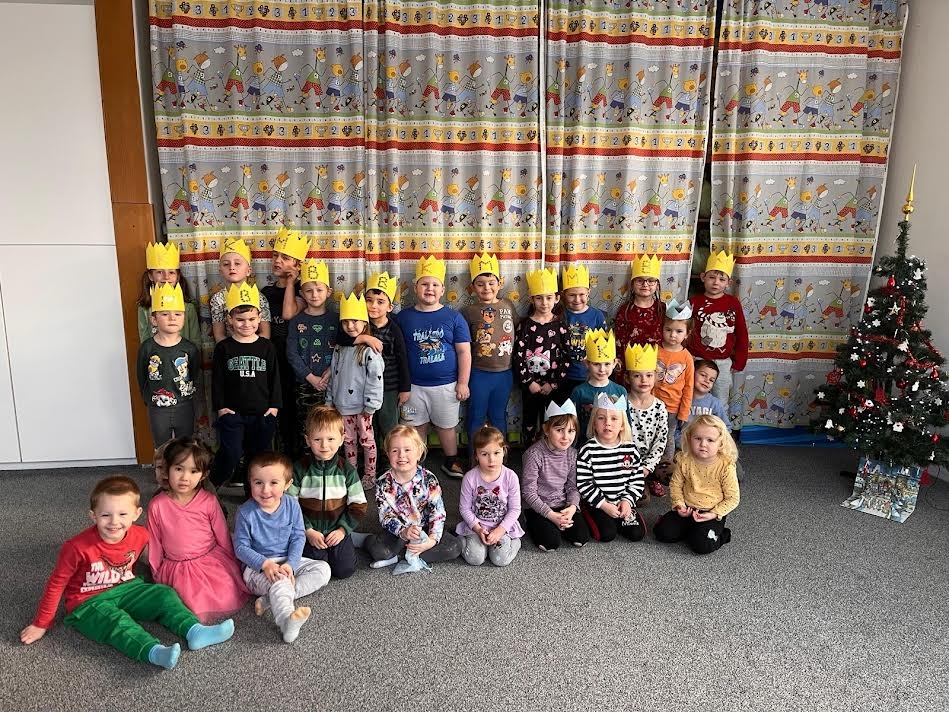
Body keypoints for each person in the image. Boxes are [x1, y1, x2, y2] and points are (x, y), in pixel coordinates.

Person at [21, 476, 234, 669]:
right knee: (116, 622)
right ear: (93, 516)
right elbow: (56, 584)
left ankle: (195, 631)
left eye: (122, 514)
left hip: (127, 587)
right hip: (87, 602)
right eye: (106, 515)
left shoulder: (141, 535)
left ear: (136, 514)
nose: (114, 522)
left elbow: (153, 556)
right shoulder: (75, 547)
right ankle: (153, 652)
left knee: (164, 594)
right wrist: (41, 623)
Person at [146, 437, 249, 622]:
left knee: (223, 592)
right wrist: (156, 571)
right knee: (180, 604)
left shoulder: (209, 501)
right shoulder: (157, 505)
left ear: (203, 475)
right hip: (176, 565)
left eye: (193, 471)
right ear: (167, 469)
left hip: (209, 560)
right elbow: (154, 541)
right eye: (178, 469)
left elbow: (222, 535)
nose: (185, 478)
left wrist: (232, 563)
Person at [233, 451, 332, 643]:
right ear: (250, 482)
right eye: (258, 482)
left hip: (286, 561)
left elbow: (298, 536)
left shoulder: (292, 505)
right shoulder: (245, 513)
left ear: (287, 484)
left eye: (273, 483)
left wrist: (291, 565)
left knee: (323, 569)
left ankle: (272, 599)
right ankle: (287, 621)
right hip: (257, 569)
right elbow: (240, 547)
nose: (265, 490)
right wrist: (265, 564)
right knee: (280, 582)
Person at [396, 255, 471, 478]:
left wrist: (463, 383)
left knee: (446, 426)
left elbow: (464, 352)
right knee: (415, 426)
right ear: (415, 287)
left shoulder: (454, 317)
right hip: (413, 387)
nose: (430, 289)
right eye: (424, 284)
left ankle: (451, 460)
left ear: (442, 290)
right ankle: (415, 462)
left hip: (446, 386)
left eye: (435, 285)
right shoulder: (404, 317)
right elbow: (397, 352)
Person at [209, 283, 281, 495]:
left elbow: (275, 378)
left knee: (257, 457)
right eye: (240, 319)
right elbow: (217, 380)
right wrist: (220, 407)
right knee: (231, 452)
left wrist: (274, 407)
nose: (246, 324)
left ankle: (253, 495)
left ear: (259, 318)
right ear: (229, 320)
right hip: (233, 413)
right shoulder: (224, 348)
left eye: (251, 319)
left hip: (262, 413)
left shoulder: (267, 347)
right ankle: (209, 486)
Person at [364, 425, 461, 569]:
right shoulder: (383, 483)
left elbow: (438, 512)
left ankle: (400, 556)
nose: (401, 455)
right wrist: (403, 532)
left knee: (454, 548)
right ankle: (369, 541)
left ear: (419, 453)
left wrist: (432, 540)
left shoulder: (429, 479)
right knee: (380, 552)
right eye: (395, 451)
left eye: (407, 450)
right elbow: (386, 516)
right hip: (399, 532)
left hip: (425, 528)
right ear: (388, 454)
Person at [289, 405, 367, 580]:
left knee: (344, 570)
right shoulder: (299, 469)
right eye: (317, 439)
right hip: (309, 531)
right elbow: (289, 504)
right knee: (315, 566)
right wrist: (307, 530)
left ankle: (351, 537)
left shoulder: (347, 470)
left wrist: (342, 530)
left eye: (331, 439)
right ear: (308, 440)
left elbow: (359, 505)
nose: (324, 445)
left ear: (341, 439)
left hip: (337, 529)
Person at [654, 415, 739, 554]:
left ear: (721, 443)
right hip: (687, 509)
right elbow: (675, 485)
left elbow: (733, 498)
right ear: (689, 438)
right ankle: (693, 531)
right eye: (698, 438)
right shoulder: (684, 460)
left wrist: (714, 513)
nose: (703, 444)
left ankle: (722, 534)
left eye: (710, 440)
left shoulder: (726, 466)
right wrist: (679, 505)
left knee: (702, 546)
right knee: (662, 533)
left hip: (711, 512)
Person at [687, 250, 748, 440]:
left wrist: (739, 360)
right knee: (694, 399)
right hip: (697, 360)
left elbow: (741, 333)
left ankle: (721, 439)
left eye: (721, 279)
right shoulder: (694, 302)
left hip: (722, 362)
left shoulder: (733, 303)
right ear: (703, 277)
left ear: (728, 282)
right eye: (712, 277)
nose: (716, 282)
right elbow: (684, 329)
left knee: (720, 401)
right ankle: (692, 436)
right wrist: (686, 356)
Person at [326, 293, 384, 490]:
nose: (350, 326)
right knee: (348, 441)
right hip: (342, 407)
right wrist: (329, 401)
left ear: (364, 323)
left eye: (355, 321)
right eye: (346, 322)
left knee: (367, 442)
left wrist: (371, 405)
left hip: (362, 408)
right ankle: (351, 474)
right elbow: (334, 375)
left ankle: (370, 475)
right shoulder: (339, 348)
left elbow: (376, 380)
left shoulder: (369, 351)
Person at [261, 227, 310, 455]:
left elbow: (289, 313)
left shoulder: (305, 290)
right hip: (274, 356)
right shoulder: (265, 292)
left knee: (294, 410)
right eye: (275, 255)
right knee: (276, 408)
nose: (277, 261)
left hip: (295, 357)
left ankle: (297, 456)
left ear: (298, 265)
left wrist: (291, 283)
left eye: (285, 257)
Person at [462, 253, 518, 449]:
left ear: (500, 283)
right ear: (472, 287)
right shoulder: (468, 311)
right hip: (479, 373)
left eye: (491, 283)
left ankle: (500, 457)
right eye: (480, 284)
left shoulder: (508, 305)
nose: (486, 288)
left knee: (498, 416)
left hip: (504, 373)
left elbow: (517, 330)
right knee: (476, 415)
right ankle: (474, 457)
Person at [136, 283, 201, 447]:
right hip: (157, 407)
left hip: (184, 405)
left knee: (185, 446)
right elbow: (141, 376)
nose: (172, 318)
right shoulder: (147, 348)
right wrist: (148, 398)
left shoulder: (189, 348)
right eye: (165, 314)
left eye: (178, 314)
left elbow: (194, 373)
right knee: (161, 447)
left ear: (184, 318)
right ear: (154, 319)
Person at [521, 400, 590, 551]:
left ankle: (559, 522)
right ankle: (532, 520)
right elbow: (528, 492)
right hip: (538, 506)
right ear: (546, 430)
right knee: (550, 543)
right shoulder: (533, 455)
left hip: (562, 504)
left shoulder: (572, 454)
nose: (566, 437)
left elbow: (573, 486)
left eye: (571, 431)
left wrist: (572, 507)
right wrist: (551, 515)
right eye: (559, 430)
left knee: (581, 538)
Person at [576, 393, 645, 542]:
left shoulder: (630, 450)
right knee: (607, 534)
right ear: (594, 423)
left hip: (622, 501)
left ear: (622, 425)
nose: (607, 423)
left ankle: (626, 512)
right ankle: (589, 512)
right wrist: (603, 505)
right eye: (601, 418)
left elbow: (637, 481)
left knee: (636, 534)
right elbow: (584, 483)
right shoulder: (588, 450)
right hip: (599, 503)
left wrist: (627, 501)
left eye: (614, 419)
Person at [286, 259, 337, 457]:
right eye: (309, 290)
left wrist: (330, 371)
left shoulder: (336, 319)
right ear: (301, 293)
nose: (314, 295)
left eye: (319, 290)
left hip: (331, 383)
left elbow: (342, 349)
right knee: (307, 426)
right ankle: (307, 463)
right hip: (304, 385)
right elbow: (292, 353)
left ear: (329, 292)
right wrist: (311, 378)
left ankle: (330, 462)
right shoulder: (296, 321)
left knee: (330, 425)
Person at [361, 271, 411, 472]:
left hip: (388, 388)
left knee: (389, 425)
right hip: (364, 387)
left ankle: (390, 461)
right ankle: (370, 462)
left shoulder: (394, 329)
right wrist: (365, 338)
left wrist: (405, 388)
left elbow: (402, 359)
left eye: (380, 302)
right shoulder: (361, 325)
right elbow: (344, 339)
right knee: (368, 426)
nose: (373, 306)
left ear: (390, 307)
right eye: (369, 300)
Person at [514, 267, 571, 445]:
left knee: (552, 422)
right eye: (539, 298)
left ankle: (551, 454)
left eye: (549, 298)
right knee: (529, 421)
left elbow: (566, 357)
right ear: (532, 299)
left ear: (557, 298)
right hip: (530, 387)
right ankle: (529, 453)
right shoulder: (524, 325)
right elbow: (518, 357)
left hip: (552, 386)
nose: (544, 303)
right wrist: (529, 382)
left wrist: (553, 384)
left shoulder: (561, 326)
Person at [455, 426, 524, 567]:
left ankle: (515, 541)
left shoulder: (510, 477)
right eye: (484, 454)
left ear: (504, 451)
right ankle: (461, 539)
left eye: (496, 453)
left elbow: (515, 509)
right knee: (475, 559)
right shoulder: (470, 478)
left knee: (500, 560)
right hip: (477, 526)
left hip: (502, 526)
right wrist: (478, 529)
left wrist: (500, 530)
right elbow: (464, 508)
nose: (491, 459)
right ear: (476, 455)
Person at [652, 300, 695, 496]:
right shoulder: (654, 350)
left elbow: (688, 387)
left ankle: (662, 474)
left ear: (686, 333)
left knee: (667, 440)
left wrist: (683, 413)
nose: (672, 335)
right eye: (668, 330)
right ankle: (644, 473)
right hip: (651, 405)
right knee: (647, 438)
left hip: (671, 409)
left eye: (678, 331)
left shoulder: (687, 358)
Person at [624, 344, 669, 503]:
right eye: (637, 376)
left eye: (649, 375)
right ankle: (639, 482)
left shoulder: (659, 406)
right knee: (641, 500)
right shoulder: (623, 404)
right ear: (628, 378)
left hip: (651, 459)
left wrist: (648, 466)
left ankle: (650, 478)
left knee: (672, 472)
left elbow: (661, 439)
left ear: (655, 377)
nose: (644, 380)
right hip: (627, 461)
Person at [569, 329, 629, 445]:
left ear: (614, 363)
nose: (602, 369)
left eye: (607, 364)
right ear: (587, 364)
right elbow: (572, 423)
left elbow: (626, 423)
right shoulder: (579, 391)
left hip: (613, 446)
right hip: (584, 445)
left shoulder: (620, 391)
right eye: (596, 364)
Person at [613, 254, 665, 384]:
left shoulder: (663, 309)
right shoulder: (624, 310)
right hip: (630, 366)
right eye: (640, 280)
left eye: (651, 280)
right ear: (632, 284)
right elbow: (619, 341)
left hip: (654, 366)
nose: (645, 284)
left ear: (657, 284)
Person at [136, 241, 200, 345]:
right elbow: (144, 341)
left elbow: (195, 340)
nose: (166, 277)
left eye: (171, 272)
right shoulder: (144, 309)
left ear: (178, 277)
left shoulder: (188, 308)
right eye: (159, 272)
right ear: (150, 276)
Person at [210, 237, 271, 342]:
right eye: (226, 264)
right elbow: (219, 336)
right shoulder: (217, 299)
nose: (232, 267)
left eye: (237, 263)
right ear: (220, 271)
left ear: (248, 271)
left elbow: (265, 334)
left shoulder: (259, 298)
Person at [560, 264, 606, 394]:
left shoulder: (597, 316)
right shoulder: (560, 315)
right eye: (572, 295)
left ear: (588, 293)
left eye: (582, 294)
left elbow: (603, 346)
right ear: (563, 295)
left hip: (589, 375)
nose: (577, 299)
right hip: (564, 375)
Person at [675, 359, 730, 448]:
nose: (707, 381)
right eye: (703, 375)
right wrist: (681, 443)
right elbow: (674, 427)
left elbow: (725, 427)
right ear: (691, 374)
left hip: (707, 448)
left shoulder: (715, 403)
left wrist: (717, 443)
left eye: (711, 380)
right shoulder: (680, 400)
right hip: (684, 447)